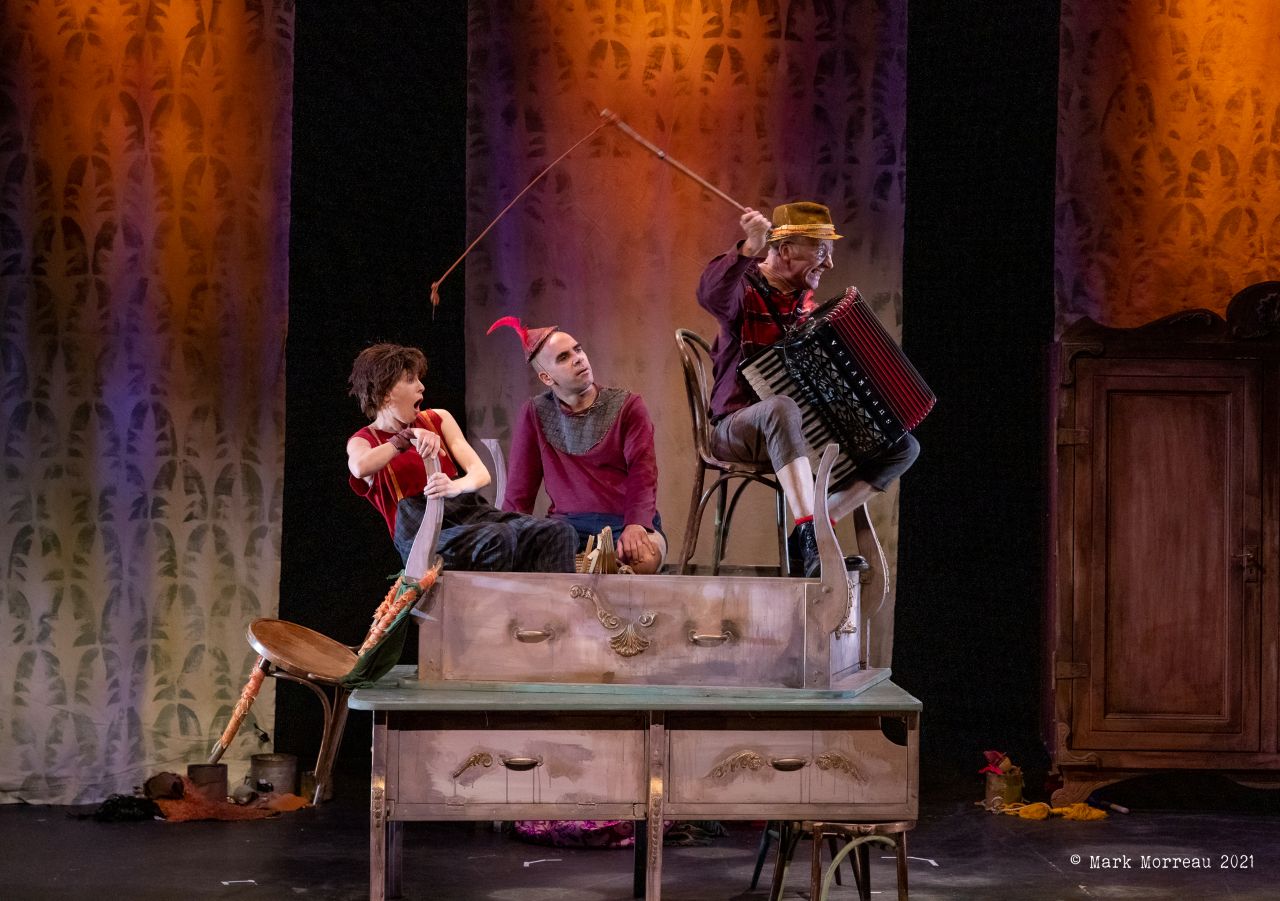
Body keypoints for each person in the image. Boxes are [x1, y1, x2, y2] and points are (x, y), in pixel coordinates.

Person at [695, 201, 920, 576]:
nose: (829, 263)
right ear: (784, 250)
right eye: (821, 250)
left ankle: (814, 531)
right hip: (734, 427)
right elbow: (711, 295)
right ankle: (810, 536)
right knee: (780, 406)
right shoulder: (746, 292)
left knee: (902, 446)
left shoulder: (804, 308)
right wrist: (748, 247)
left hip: (795, 433)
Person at [346, 343, 577, 572]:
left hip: (467, 511)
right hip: (420, 535)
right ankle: (500, 607)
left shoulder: (437, 419)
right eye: (410, 380)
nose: (421, 387)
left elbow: (480, 474)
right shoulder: (365, 440)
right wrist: (404, 438)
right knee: (498, 537)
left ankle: (554, 607)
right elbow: (359, 467)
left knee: (558, 532)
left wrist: (454, 486)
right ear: (385, 393)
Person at [488, 317, 666, 574]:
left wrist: (637, 524)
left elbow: (643, 472)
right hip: (565, 530)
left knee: (640, 560)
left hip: (622, 523)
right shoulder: (535, 413)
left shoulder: (628, 406)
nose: (578, 358)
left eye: (578, 349)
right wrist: (509, 537)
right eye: (563, 357)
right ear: (546, 377)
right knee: (523, 561)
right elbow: (519, 492)